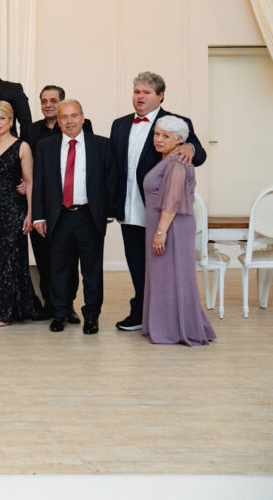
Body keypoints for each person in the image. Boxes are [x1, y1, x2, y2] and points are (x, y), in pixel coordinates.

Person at [110, 71, 207, 332]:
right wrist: (111, 205)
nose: (140, 97)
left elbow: (199, 154)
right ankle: (141, 311)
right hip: (128, 206)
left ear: (160, 95)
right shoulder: (119, 125)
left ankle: (164, 316)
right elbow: (113, 167)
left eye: (147, 92)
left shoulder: (176, 123)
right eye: (136, 92)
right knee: (135, 261)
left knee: (160, 265)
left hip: (158, 208)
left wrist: (190, 147)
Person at [32, 101, 118, 336]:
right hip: (59, 216)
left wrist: (109, 211)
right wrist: (38, 216)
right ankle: (60, 313)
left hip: (89, 216)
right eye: (64, 117)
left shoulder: (101, 144)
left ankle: (91, 316)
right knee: (59, 269)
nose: (69, 121)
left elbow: (111, 179)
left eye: (74, 116)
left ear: (82, 117)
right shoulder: (45, 146)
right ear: (58, 121)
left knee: (92, 271)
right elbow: (39, 183)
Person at [142, 115, 216, 346]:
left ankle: (176, 329)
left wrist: (161, 232)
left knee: (173, 276)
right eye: (157, 134)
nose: (159, 139)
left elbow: (172, 200)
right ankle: (167, 326)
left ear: (179, 140)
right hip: (165, 226)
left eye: (166, 136)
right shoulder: (166, 159)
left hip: (171, 228)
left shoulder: (177, 162)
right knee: (164, 277)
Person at [25, 85, 94, 321]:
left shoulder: (81, 126)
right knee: (45, 260)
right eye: (44, 101)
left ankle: (68, 305)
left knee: (69, 261)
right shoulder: (31, 130)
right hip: (43, 204)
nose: (48, 105)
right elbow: (25, 161)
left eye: (53, 100)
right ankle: (51, 305)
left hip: (69, 206)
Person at [0, 101, 43, 325]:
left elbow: (30, 182)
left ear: (11, 120)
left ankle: (6, 312)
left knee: (9, 261)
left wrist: (30, 214)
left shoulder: (22, 146)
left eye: (2, 118)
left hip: (14, 210)